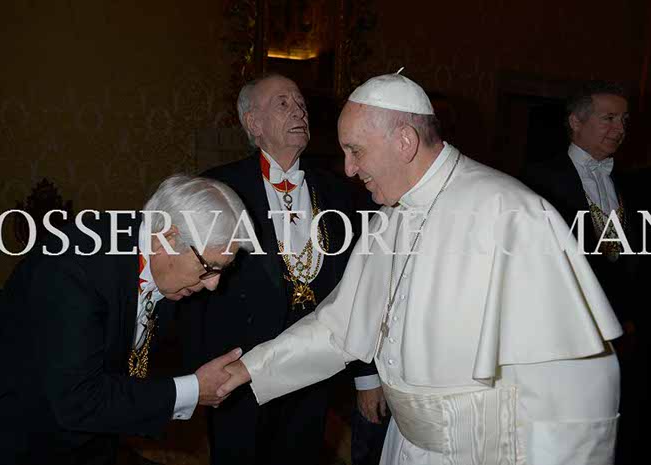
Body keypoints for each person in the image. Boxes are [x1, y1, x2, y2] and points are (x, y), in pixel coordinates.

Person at [218, 72, 623, 465]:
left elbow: (576, 393)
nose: (349, 169)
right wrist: (250, 369)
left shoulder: (511, 212)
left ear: (405, 142)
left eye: (356, 150)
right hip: (405, 444)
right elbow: (338, 326)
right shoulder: (391, 216)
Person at [0, 174, 251, 465]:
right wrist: (193, 390)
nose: (214, 284)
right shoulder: (71, 270)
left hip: (91, 439)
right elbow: (78, 400)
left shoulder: (167, 268)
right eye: (209, 267)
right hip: (14, 439)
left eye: (223, 269)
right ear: (168, 238)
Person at [180, 73, 379, 465]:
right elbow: (191, 291)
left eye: (301, 103)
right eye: (283, 103)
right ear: (253, 123)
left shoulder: (341, 192)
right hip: (237, 374)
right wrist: (194, 377)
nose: (299, 111)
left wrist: (366, 374)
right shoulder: (216, 187)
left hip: (313, 373)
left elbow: (361, 288)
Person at [520, 81, 642, 464]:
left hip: (624, 335)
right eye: (609, 118)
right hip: (566, 336)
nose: (619, 129)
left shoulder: (631, 183)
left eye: (624, 120)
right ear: (576, 121)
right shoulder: (537, 180)